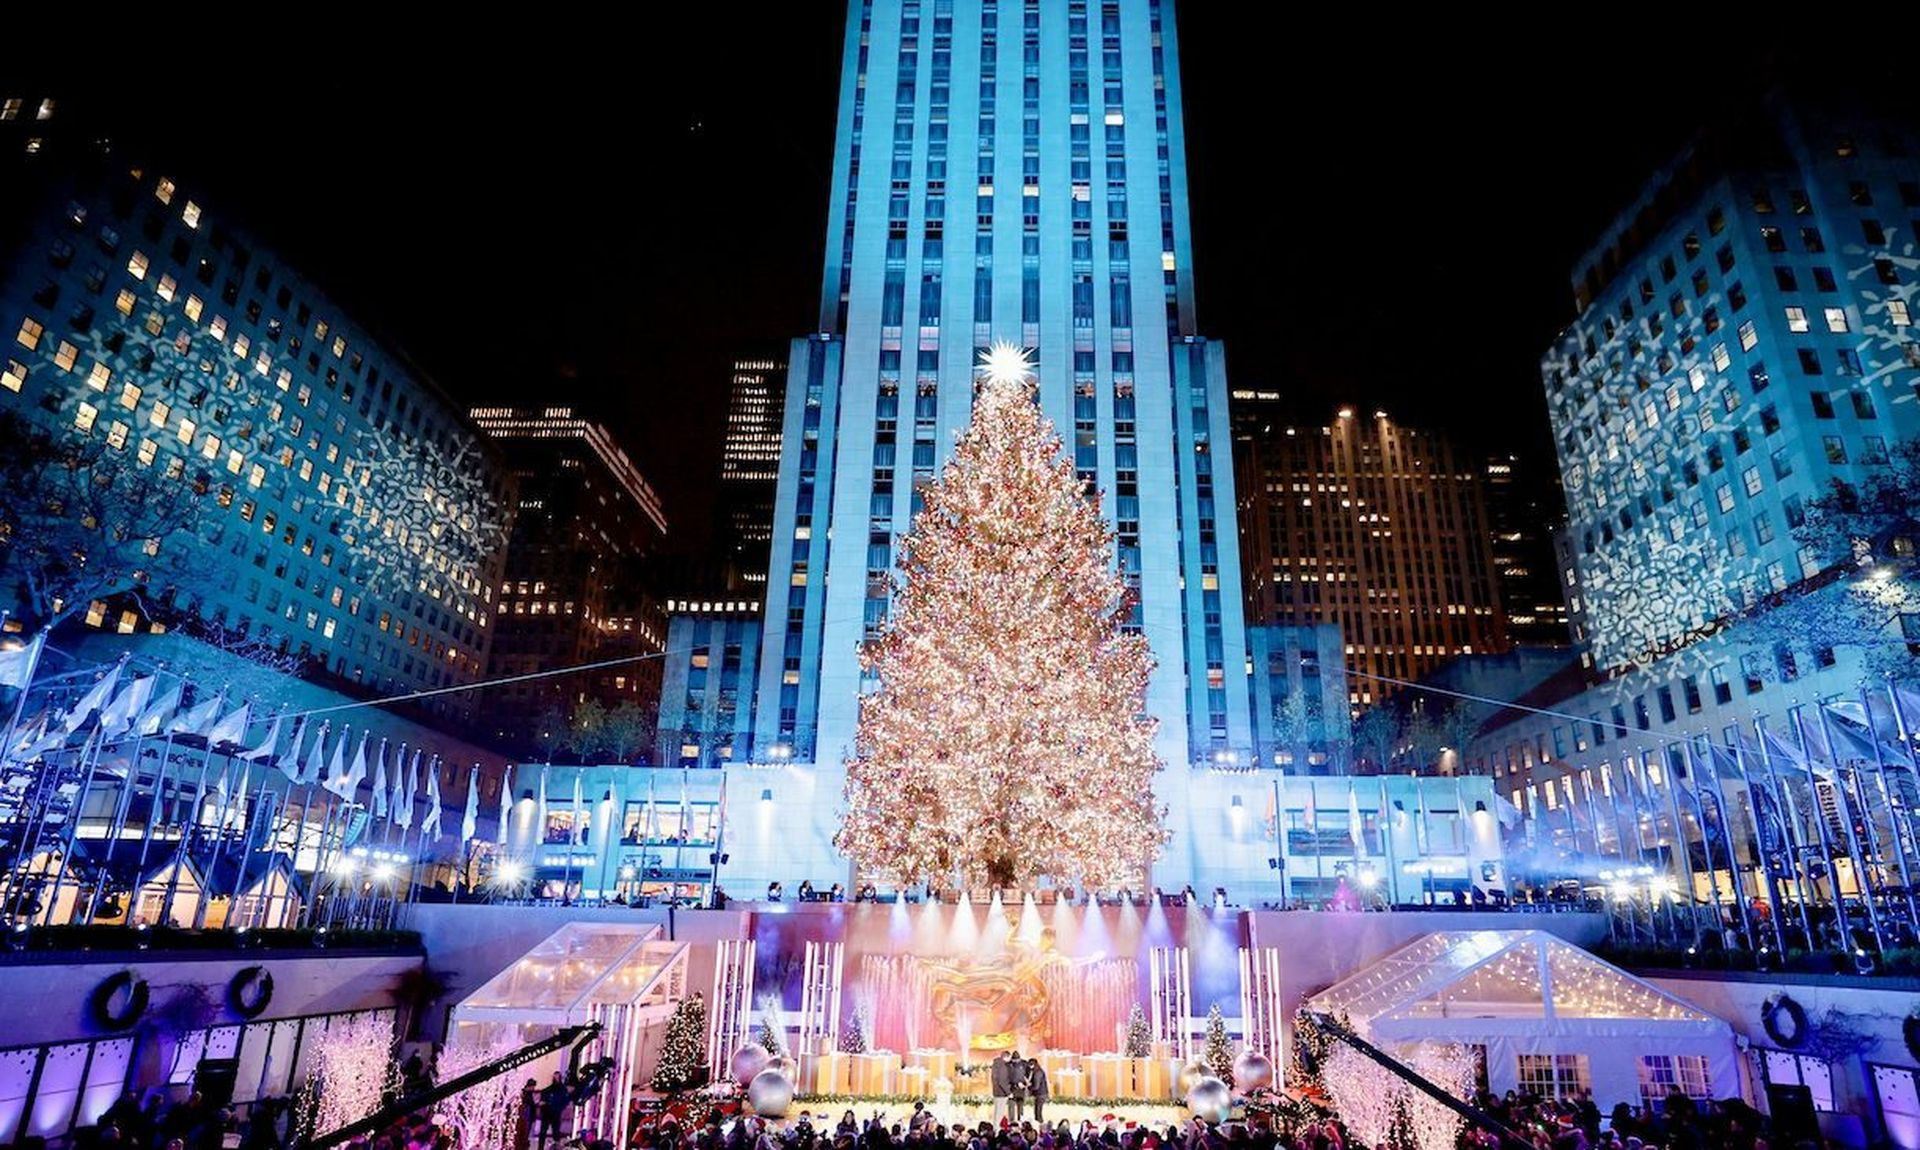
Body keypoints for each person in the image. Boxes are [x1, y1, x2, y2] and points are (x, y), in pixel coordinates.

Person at [538, 1071, 571, 1147]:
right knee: (543, 1131)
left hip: (555, 1113)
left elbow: (565, 1101)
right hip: (547, 1112)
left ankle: (556, 1147)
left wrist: (557, 1107)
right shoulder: (549, 1090)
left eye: (557, 1077)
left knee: (555, 1132)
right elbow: (545, 1094)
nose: (555, 1079)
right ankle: (541, 1147)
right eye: (554, 1077)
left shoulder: (562, 1090)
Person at [989, 1051, 1012, 1124]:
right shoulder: (1003, 1066)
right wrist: (1008, 1093)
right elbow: (1002, 1081)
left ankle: (995, 1127)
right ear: (1006, 1057)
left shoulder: (996, 1065)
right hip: (1002, 1093)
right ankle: (997, 1130)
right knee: (1000, 1113)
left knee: (997, 1112)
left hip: (996, 1092)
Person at [1007, 1052, 1029, 1123]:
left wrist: (1025, 1084)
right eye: (1014, 1059)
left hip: (1021, 1089)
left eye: (1017, 1059)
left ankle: (1020, 1120)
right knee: (1011, 1106)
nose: (1015, 1061)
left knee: (1020, 1106)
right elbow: (1006, 1078)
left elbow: (1028, 1076)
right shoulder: (1008, 1065)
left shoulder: (1024, 1064)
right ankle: (1012, 1121)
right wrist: (1014, 1085)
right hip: (1012, 1089)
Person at [1027, 1057, 1049, 1125]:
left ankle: (1040, 1125)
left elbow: (1036, 1086)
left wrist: (1029, 1087)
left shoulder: (1037, 1073)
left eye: (1031, 1064)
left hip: (1040, 1094)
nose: (1030, 1066)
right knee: (1037, 1111)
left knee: (1038, 1112)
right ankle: (1039, 1124)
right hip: (1041, 1094)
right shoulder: (1038, 1070)